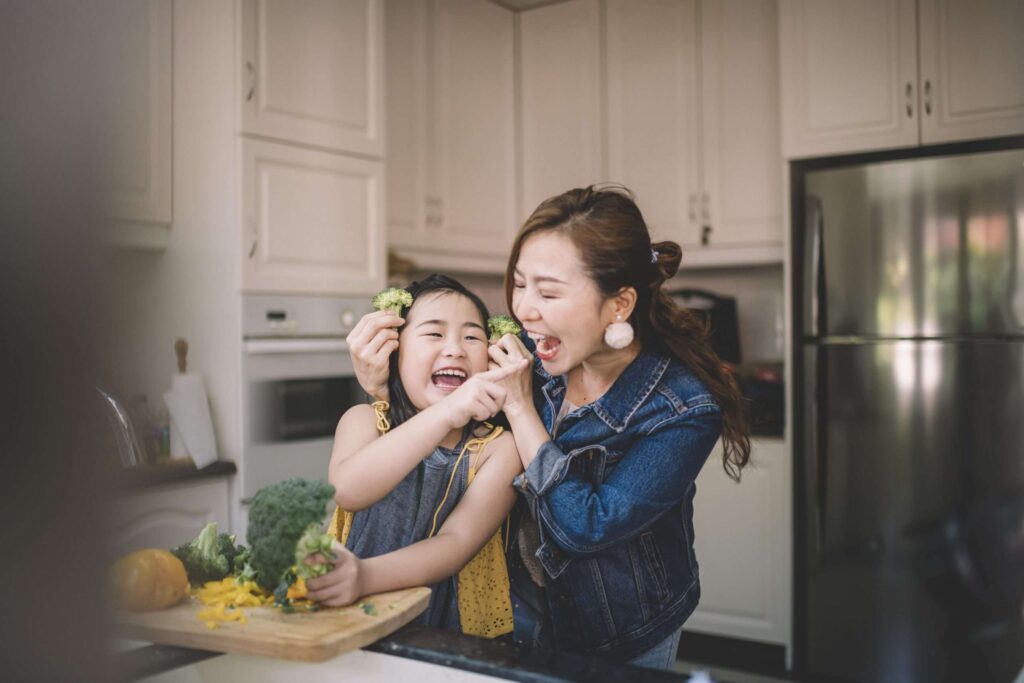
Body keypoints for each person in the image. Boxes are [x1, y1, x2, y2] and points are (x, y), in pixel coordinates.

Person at [347, 186, 751, 669]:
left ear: (618, 304)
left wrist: (520, 409)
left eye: (549, 292)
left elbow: (585, 528)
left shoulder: (682, 409)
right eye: (519, 284)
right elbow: (446, 417)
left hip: (619, 631)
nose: (524, 310)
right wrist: (383, 385)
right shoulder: (531, 349)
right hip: (518, 611)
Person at [305, 274, 528, 639]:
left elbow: (456, 542)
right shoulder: (364, 421)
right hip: (348, 619)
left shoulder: (500, 449)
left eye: (472, 336)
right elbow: (347, 490)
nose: (455, 348)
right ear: (395, 352)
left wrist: (365, 577)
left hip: (447, 633)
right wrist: (444, 414)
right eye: (434, 334)